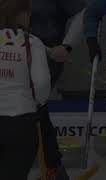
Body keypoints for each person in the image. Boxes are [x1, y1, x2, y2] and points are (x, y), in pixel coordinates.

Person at [31, 0, 86, 178]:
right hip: (13, 53)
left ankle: (53, 167)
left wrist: (66, 46)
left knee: (34, 106)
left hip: (45, 56)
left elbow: (81, 14)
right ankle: (53, 166)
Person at [0, 0, 51, 179]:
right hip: (21, 123)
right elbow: (42, 84)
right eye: (29, 13)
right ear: (22, 14)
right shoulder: (31, 42)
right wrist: (36, 101)